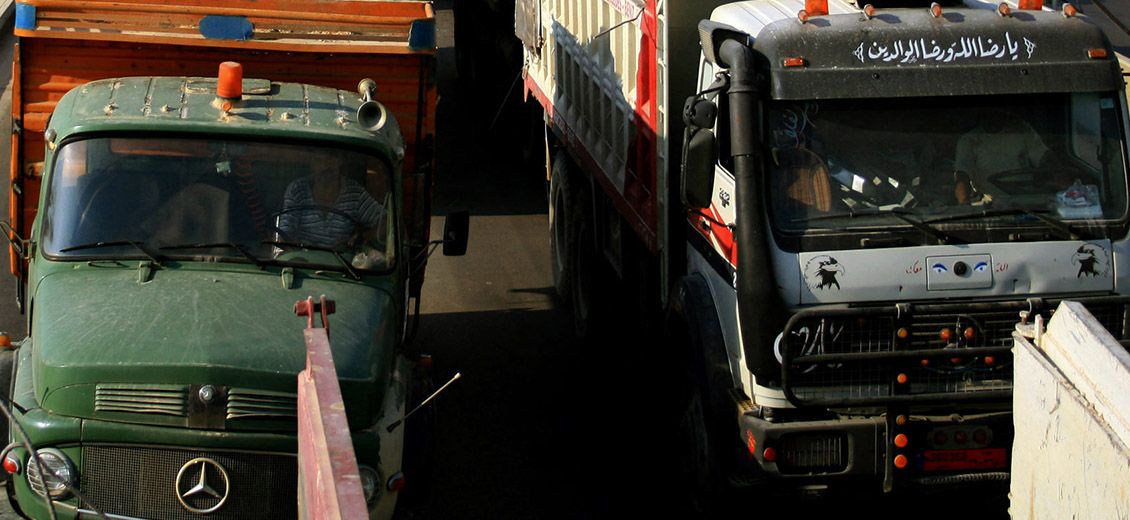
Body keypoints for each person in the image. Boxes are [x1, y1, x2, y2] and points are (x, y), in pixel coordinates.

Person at [277, 158, 386, 249]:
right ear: (311, 163)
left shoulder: (354, 193)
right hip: (302, 262)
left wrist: (364, 237)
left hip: (343, 266)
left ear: (340, 160)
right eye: (320, 159)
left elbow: (387, 221)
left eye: (331, 157)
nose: (326, 165)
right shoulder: (297, 190)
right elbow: (285, 235)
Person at [953, 115, 1050, 204]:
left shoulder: (1022, 130)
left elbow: (1046, 159)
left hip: (1027, 204)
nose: (993, 114)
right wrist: (964, 203)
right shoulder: (969, 140)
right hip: (989, 206)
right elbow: (962, 176)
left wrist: (1058, 179)